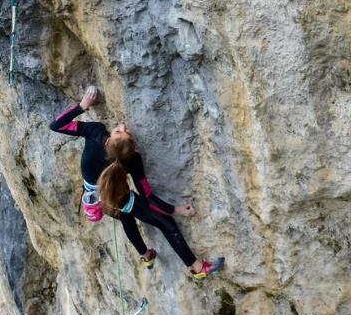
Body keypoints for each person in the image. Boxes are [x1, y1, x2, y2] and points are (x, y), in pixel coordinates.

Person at [50, 86, 224, 279]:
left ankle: (146, 255)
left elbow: (56, 125)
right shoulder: (133, 160)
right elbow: (148, 197)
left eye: (122, 131)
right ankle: (198, 268)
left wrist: (82, 106)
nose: (124, 127)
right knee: (166, 224)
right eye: (124, 132)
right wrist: (176, 210)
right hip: (119, 199)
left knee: (126, 218)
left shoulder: (95, 132)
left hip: (98, 199)